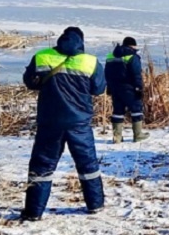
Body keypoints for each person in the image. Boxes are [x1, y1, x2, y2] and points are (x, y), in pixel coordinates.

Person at [21, 26, 106, 221]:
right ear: (81, 41)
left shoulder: (42, 56)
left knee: (42, 167)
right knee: (88, 165)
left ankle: (33, 212)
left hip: (49, 122)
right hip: (79, 123)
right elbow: (98, 89)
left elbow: (30, 82)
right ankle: (95, 205)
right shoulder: (90, 61)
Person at [104, 36, 149, 143]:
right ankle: (138, 135)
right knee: (136, 109)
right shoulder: (133, 57)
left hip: (115, 87)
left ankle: (117, 137)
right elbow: (136, 74)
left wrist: (109, 87)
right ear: (132, 45)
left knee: (117, 111)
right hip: (129, 87)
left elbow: (107, 74)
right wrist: (139, 88)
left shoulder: (110, 56)